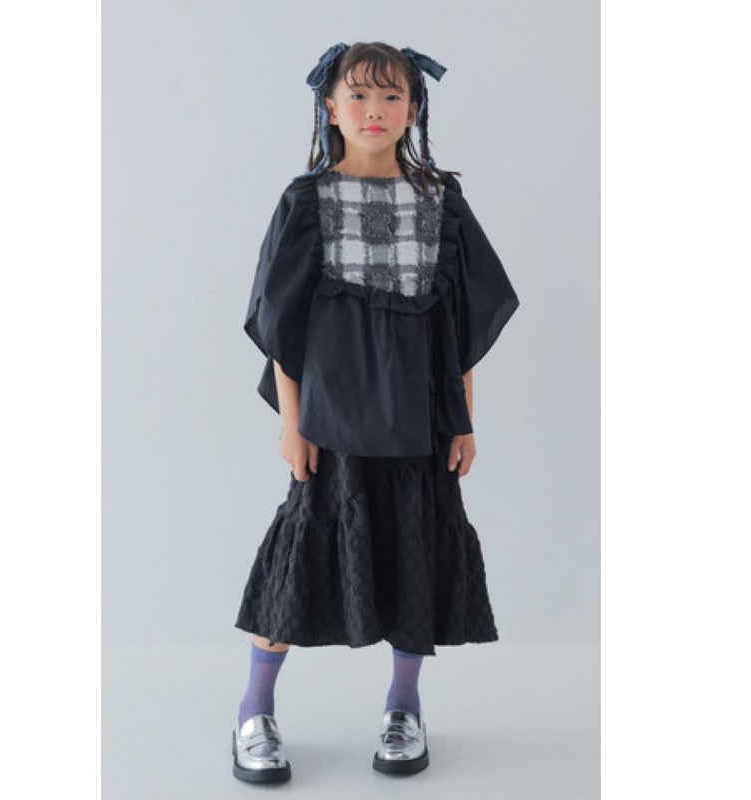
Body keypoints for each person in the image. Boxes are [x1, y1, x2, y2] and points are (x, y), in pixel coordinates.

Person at [231, 41, 520, 784]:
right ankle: (254, 710)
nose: (374, 111)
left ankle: (403, 707)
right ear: (329, 108)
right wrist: (291, 422)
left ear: (414, 108)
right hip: (332, 419)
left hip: (418, 417)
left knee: (414, 556)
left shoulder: (440, 200)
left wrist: (464, 419)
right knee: (300, 559)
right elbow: (282, 325)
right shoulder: (308, 201)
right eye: (358, 95)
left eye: (392, 96)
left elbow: (458, 322)